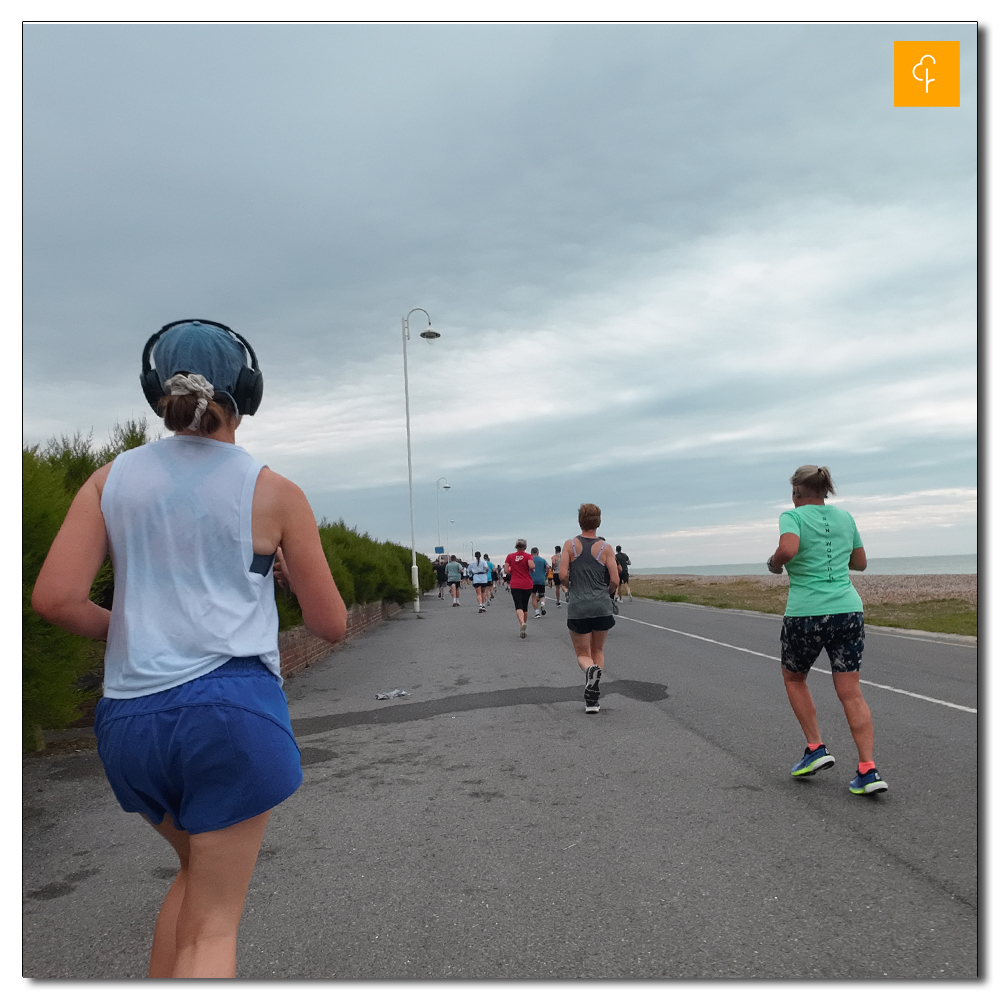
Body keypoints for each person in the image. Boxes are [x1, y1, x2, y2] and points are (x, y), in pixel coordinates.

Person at [30, 319, 348, 977]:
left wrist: (129, 628)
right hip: (230, 712)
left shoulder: (107, 481)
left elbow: (55, 598)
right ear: (248, 392)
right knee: (213, 927)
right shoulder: (275, 492)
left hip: (129, 723)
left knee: (196, 873)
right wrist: (286, 578)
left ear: (155, 391)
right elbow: (331, 625)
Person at [766, 465, 887, 795]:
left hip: (807, 613)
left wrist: (774, 563)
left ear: (797, 493)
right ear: (825, 491)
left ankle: (816, 748)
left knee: (794, 677)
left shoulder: (792, 517)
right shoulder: (845, 518)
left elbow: (788, 550)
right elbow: (860, 563)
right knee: (850, 689)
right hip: (848, 610)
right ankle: (867, 769)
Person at [561, 504, 619, 713]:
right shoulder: (606, 548)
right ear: (598, 522)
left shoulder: (570, 545)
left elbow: (562, 575)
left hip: (579, 606)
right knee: (598, 650)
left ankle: (590, 672)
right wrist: (607, 593)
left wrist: (570, 584)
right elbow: (614, 579)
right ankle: (593, 699)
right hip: (601, 605)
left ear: (580, 521)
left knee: (583, 653)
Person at [504, 540, 536, 639]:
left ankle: (522, 623)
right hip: (527, 583)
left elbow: (506, 570)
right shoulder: (528, 556)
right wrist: (531, 568)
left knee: (518, 606)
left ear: (516, 547)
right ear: (525, 547)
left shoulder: (510, 556)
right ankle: (524, 624)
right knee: (525, 606)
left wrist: (513, 571)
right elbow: (531, 566)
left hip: (515, 583)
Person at [529, 546, 549, 618]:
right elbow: (547, 567)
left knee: (533, 595)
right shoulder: (542, 560)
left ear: (531, 553)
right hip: (541, 579)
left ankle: (537, 612)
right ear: (538, 552)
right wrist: (546, 573)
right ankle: (542, 603)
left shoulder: (530, 560)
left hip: (532, 580)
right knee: (541, 594)